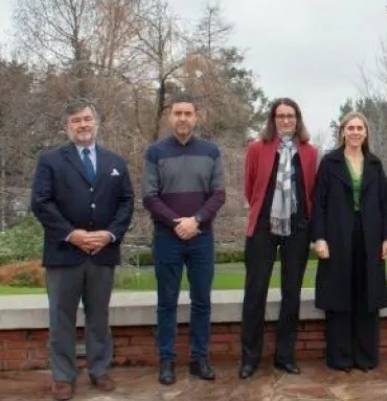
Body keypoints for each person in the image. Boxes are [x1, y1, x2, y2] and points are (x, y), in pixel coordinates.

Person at [31, 100, 134, 401]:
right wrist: (71, 234)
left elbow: (127, 202)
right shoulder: (50, 160)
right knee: (61, 317)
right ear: (67, 127)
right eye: (76, 121)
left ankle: (99, 370)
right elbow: (41, 203)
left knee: (98, 316)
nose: (83, 125)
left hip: (103, 253)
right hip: (64, 254)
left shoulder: (115, 161)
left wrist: (110, 234)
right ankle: (63, 376)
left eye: (87, 119)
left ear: (96, 123)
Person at [143, 93, 226, 385]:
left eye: (187, 113)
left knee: (201, 301)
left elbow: (219, 194)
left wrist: (196, 220)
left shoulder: (211, 151)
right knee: (166, 302)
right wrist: (177, 222)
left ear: (196, 117)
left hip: (202, 238)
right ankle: (166, 360)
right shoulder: (155, 152)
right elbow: (149, 196)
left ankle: (199, 358)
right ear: (170, 117)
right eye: (177, 113)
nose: (182, 118)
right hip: (167, 238)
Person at [239, 98, 317, 379]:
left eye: (291, 116)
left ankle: (285, 356)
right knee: (255, 293)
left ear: (298, 119)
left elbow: (311, 190)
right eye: (280, 116)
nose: (285, 120)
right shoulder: (257, 148)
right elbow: (250, 188)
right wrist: (269, 214)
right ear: (273, 120)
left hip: (297, 228)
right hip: (263, 227)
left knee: (291, 294)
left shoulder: (309, 152)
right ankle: (250, 358)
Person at [311, 112, 387, 372]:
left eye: (360, 128)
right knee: (339, 296)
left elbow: (385, 205)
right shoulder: (330, 163)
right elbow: (319, 204)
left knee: (367, 297)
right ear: (343, 132)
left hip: (369, 238)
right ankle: (341, 358)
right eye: (351, 128)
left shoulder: (375, 164)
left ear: (366, 133)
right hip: (337, 237)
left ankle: (366, 357)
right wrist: (320, 238)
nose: (356, 132)